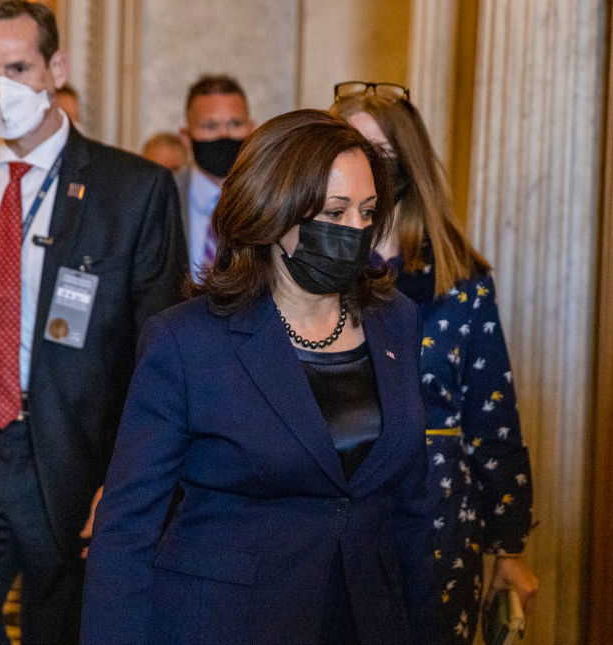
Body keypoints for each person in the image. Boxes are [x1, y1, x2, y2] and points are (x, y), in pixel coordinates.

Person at [82, 109, 434, 644]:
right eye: (335, 213)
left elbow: (411, 505)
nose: (356, 230)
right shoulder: (186, 341)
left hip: (368, 619)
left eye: (367, 212)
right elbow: (127, 527)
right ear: (274, 212)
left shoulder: (397, 320)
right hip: (228, 620)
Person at [0, 1, 188, 644]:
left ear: (55, 66)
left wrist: (128, 476)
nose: (3, 86)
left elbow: (160, 350)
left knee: (62, 630)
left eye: (20, 66)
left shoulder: (133, 189)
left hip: (72, 445)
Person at [331, 81, 539, 643]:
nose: (370, 168)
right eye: (354, 149)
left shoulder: (460, 277)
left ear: (409, 164)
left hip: (437, 508)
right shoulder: (313, 268)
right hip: (333, 502)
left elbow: (491, 417)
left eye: (384, 155)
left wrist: (508, 545)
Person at [175, 74, 255, 280]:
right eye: (210, 126)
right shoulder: (165, 192)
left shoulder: (273, 196)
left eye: (235, 124)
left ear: (252, 130)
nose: (224, 135)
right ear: (186, 137)